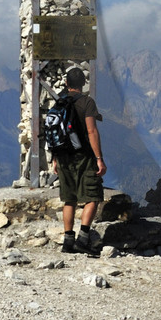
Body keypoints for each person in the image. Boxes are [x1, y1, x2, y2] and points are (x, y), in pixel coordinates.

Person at [52, 67, 105, 256]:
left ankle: (68, 241)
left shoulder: (59, 103)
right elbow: (91, 131)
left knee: (69, 199)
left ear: (66, 83)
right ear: (83, 84)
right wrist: (99, 158)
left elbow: (55, 132)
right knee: (93, 196)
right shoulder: (87, 103)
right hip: (84, 157)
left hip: (63, 156)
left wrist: (55, 158)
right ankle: (83, 239)